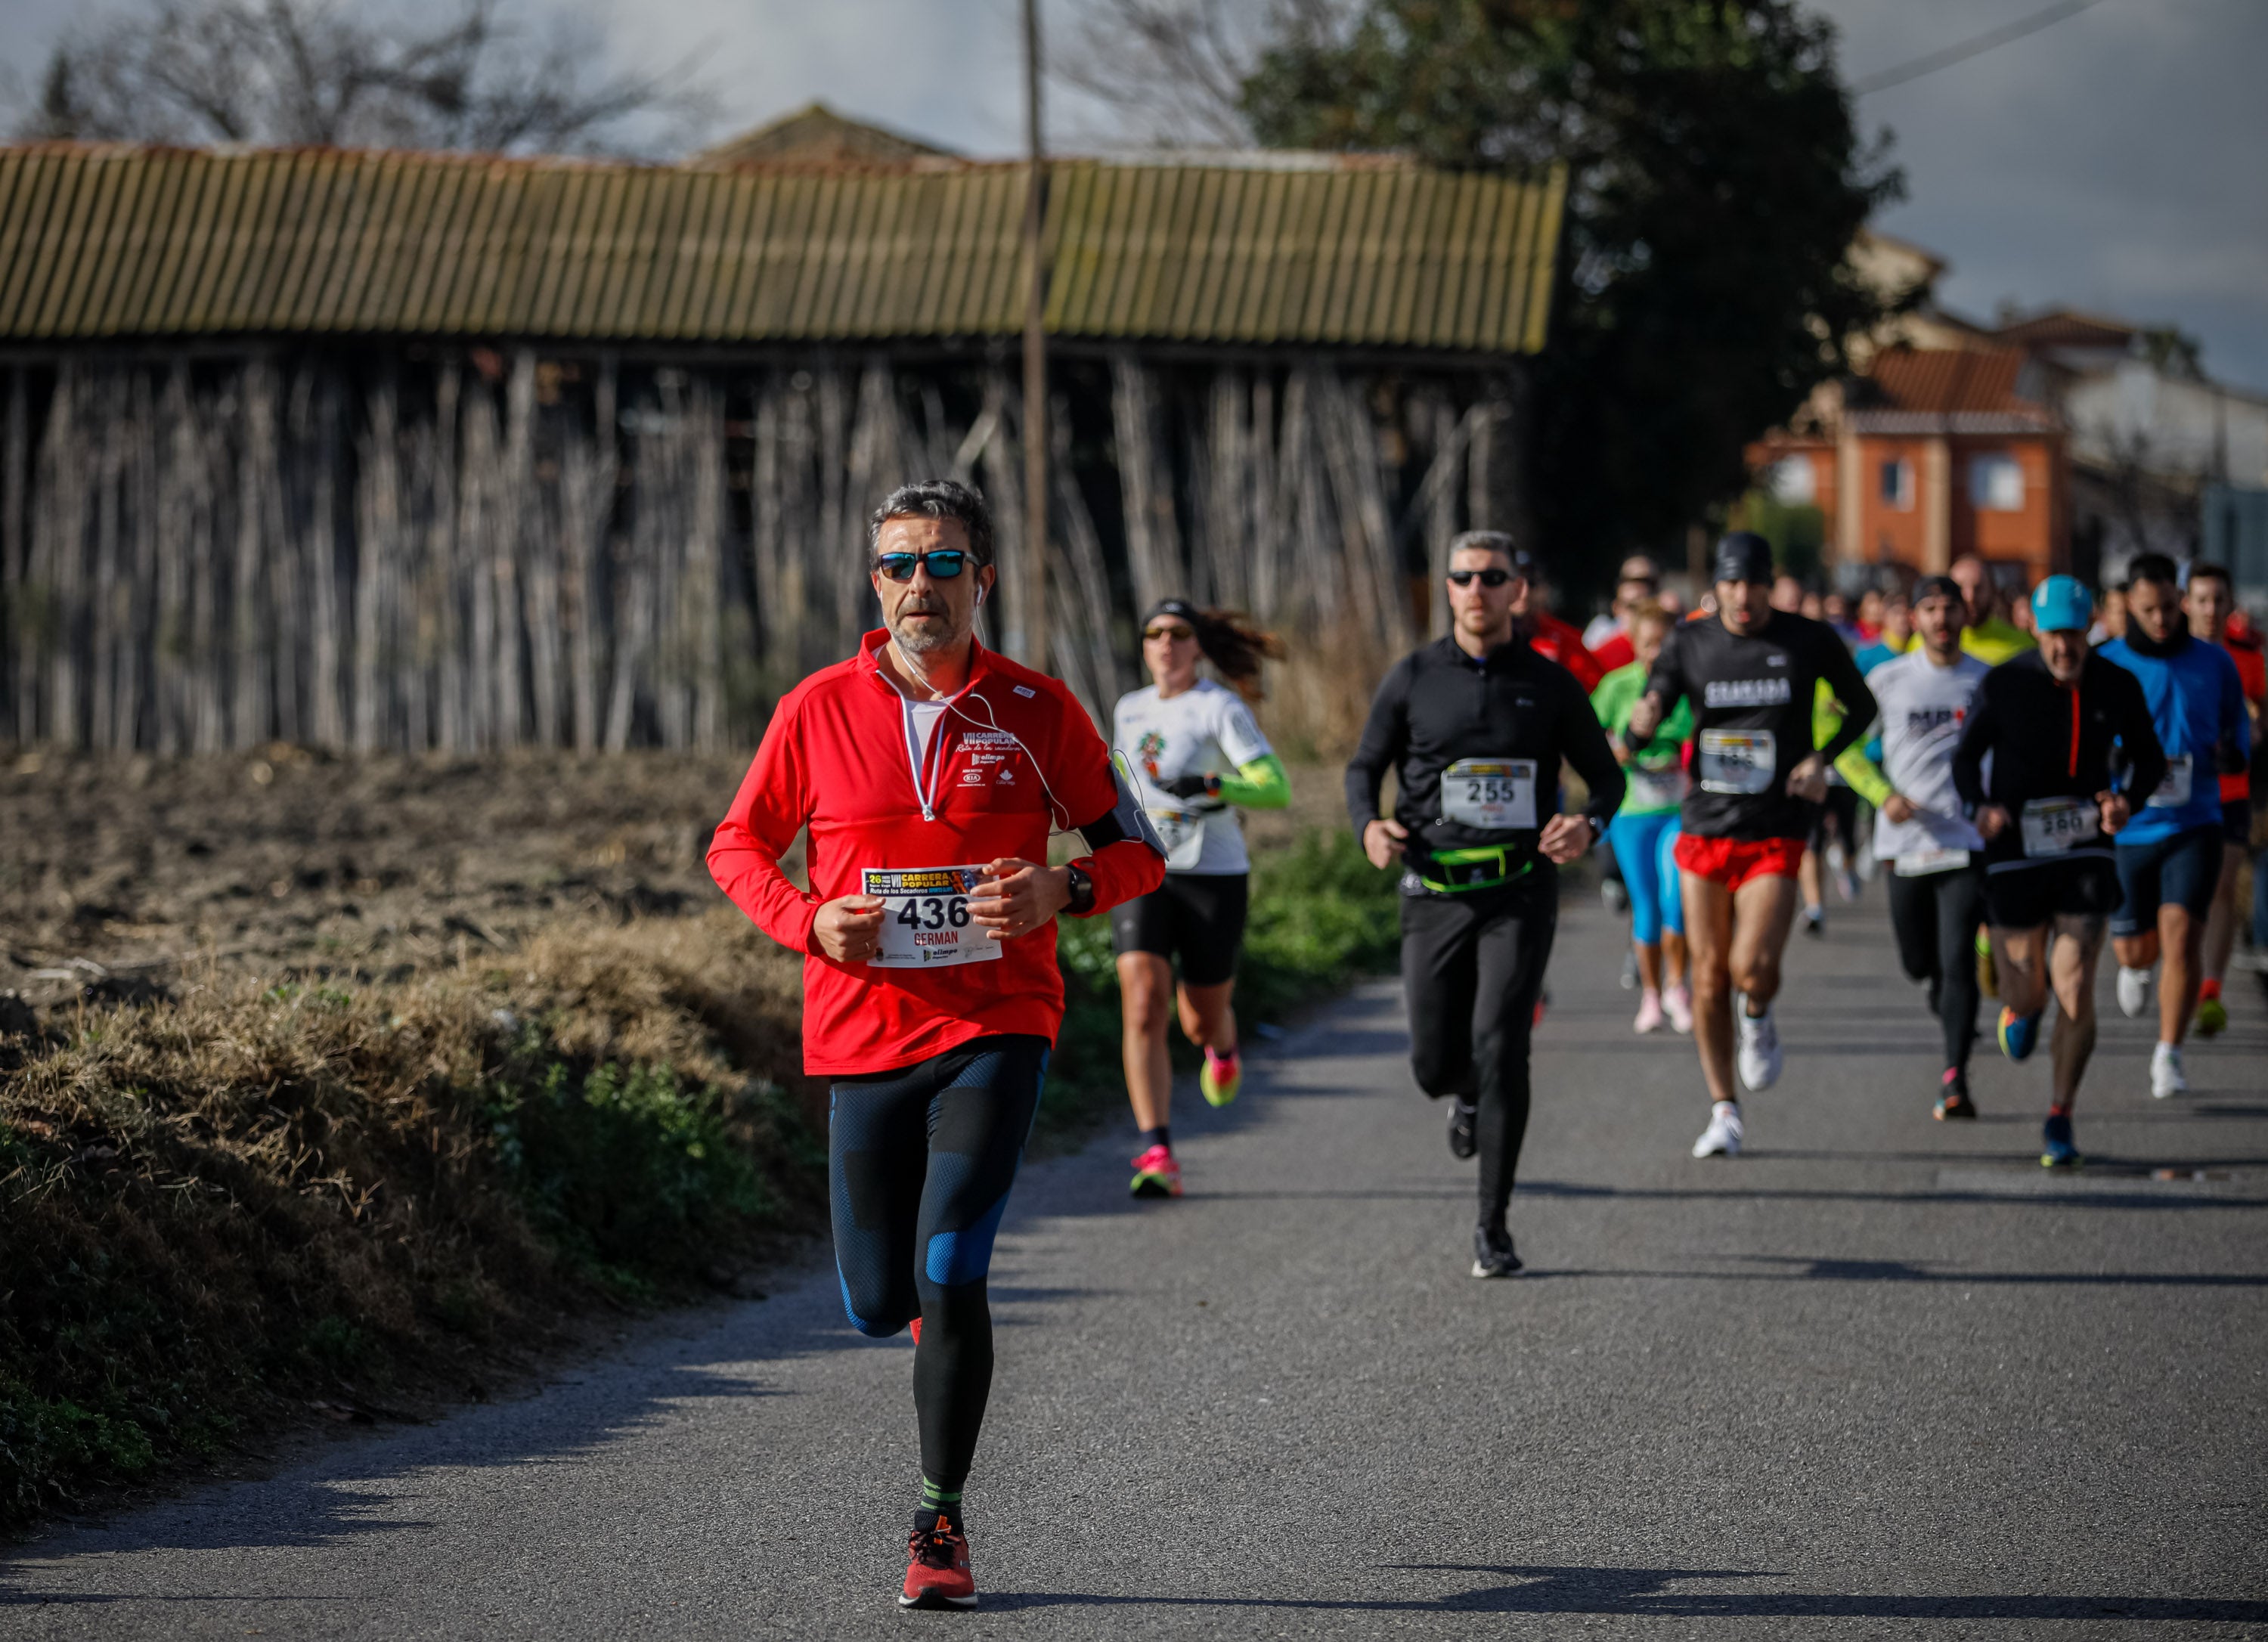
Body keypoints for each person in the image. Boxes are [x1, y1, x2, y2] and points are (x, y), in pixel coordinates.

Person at [706, 479, 1166, 1610]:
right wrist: (807, 918)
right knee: (877, 1299)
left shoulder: (1039, 709)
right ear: (878, 584)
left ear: (984, 579)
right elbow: (736, 846)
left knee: (954, 1262)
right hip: (861, 1039)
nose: (924, 584)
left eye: (946, 562)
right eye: (903, 564)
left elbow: (1139, 850)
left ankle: (939, 1520)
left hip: (997, 1026)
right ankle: (919, 1317)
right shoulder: (814, 709)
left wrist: (1064, 885)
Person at [1347, 532, 1624, 1277]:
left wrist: (1586, 824)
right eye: (1464, 577)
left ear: (1517, 591)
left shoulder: (1549, 682)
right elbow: (1364, 767)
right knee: (1436, 1064)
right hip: (1433, 889)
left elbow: (1606, 781)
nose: (1477, 589)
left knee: (1504, 1044)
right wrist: (1368, 826)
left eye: (1492, 577)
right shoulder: (1411, 678)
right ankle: (1461, 1095)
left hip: (1518, 891)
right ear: (1448, 589)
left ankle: (1492, 1226)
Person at [1626, 531, 1878, 1159]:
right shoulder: (1691, 640)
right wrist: (1646, 715)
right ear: (1716, 587)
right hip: (1707, 825)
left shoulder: (1807, 639)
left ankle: (1759, 1016)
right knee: (1708, 979)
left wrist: (1822, 760)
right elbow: (1658, 689)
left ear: (1769, 583)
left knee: (1751, 968)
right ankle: (1723, 1110)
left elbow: (1862, 705)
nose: (1743, 598)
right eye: (1731, 585)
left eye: (1754, 584)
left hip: (1775, 827)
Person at [1953, 576, 2164, 1166]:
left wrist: (2128, 801)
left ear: (2090, 629)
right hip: (2016, 848)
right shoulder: (2006, 683)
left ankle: (2060, 1112)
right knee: (2031, 990)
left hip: (2084, 848)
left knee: (2074, 984)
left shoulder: (2116, 684)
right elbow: (1966, 758)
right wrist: (1980, 808)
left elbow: (2148, 758)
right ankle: (2012, 991)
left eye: (2074, 635)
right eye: (2053, 636)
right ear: (2035, 630)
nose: (2064, 648)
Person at [1111, 599, 1291, 1198]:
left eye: (1179, 633)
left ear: (1197, 646)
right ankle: (1157, 1148)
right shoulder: (1128, 709)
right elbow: (1120, 788)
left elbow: (1276, 787)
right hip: (1143, 870)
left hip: (1212, 873)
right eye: (1155, 633)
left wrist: (1215, 785)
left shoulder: (1219, 707)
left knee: (1198, 1019)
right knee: (1141, 1002)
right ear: (1144, 646)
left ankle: (1223, 1043)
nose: (1166, 643)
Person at [2097, 554, 2251, 1097]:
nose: (2160, 620)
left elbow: (2237, 726)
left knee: (2183, 936)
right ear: (2129, 609)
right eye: (2148, 610)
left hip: (2196, 818)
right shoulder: (2107, 663)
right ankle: (2137, 968)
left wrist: (2235, 753)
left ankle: (2169, 1052)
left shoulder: (2214, 663)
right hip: (2130, 824)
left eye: (2168, 608)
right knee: (2137, 951)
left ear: (2180, 603)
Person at [1843, 576, 1991, 1118]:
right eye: (1929, 608)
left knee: (1957, 958)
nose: (1941, 619)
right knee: (1918, 962)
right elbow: (1844, 749)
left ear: (1964, 616)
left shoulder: (1987, 682)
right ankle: (1944, 999)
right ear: (1914, 617)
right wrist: (1883, 795)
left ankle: (1955, 1078)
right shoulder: (1887, 680)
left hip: (1966, 839)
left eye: (1950, 608)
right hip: (1904, 842)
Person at [1591, 602, 1695, 1033]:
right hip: (1632, 814)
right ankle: (1651, 996)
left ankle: (1678, 988)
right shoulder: (1617, 687)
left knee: (1677, 902)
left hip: (1679, 812)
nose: (1656, 652)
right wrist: (1614, 752)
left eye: (1664, 644)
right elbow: (1587, 739)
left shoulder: (1689, 688)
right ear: (1633, 644)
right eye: (1648, 643)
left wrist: (1683, 757)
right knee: (1647, 908)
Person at [2184, 565, 2263, 1036]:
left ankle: (2211, 987)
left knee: (2222, 888)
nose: (2211, 610)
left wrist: (2254, 730)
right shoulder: (2172, 655)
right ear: (2187, 603)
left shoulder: (2247, 659)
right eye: (2202, 599)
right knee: (2177, 894)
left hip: (2230, 792)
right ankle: (2161, 959)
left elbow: (2262, 715)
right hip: (2175, 796)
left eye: (2219, 599)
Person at [1512, 572, 1606, 692]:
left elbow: (1598, 685)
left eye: (1531, 584)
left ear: (1545, 590)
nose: (1524, 593)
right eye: (1515, 585)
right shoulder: (1486, 641)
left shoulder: (1563, 635)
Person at [1950, 554, 2034, 665]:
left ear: (1993, 590)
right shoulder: (1924, 646)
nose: (1970, 597)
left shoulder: (2023, 647)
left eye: (1978, 588)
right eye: (1959, 588)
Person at [1585, 554, 1662, 670]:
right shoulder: (1601, 633)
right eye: (1632, 607)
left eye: (1650, 581)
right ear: (1617, 607)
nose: (1639, 585)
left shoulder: (1667, 633)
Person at [1855, 591, 1913, 677]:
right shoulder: (1866, 654)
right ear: (1884, 616)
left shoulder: (1920, 649)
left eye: (1906, 613)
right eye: (1896, 613)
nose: (1903, 619)